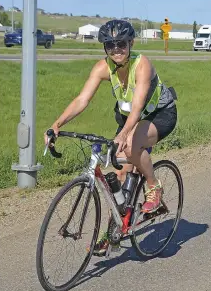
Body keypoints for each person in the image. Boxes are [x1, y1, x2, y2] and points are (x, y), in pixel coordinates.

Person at [44, 19, 178, 255]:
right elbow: (82, 100)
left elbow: (137, 107)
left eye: (121, 44)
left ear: (131, 43)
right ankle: (113, 232)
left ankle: (153, 186)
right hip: (130, 120)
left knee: (131, 147)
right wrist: (56, 124)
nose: (116, 49)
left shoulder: (142, 64)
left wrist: (125, 134)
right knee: (117, 174)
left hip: (160, 115)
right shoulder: (102, 68)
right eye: (110, 45)